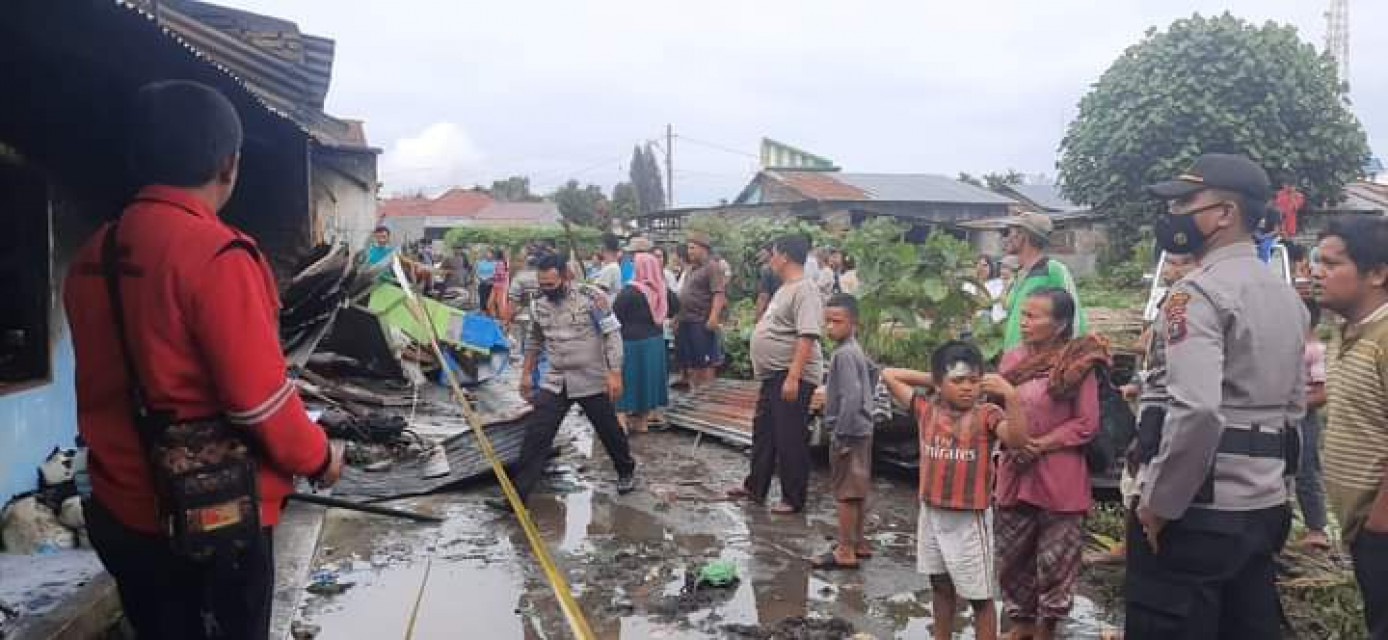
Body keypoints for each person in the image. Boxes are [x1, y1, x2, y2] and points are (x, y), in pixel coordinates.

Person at [64, 80, 343, 640]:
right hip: (212, 519)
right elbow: (260, 402)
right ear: (228, 164)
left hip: (120, 509)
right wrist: (320, 458)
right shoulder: (217, 254)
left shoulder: (94, 253)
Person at [1127, 153, 1307, 639]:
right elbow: (1294, 411)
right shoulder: (1287, 297)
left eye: (1188, 202)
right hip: (1263, 508)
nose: (1176, 213)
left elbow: (1198, 410)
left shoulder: (1196, 294)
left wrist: (1159, 504)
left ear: (1225, 214)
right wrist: (1278, 492)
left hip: (1197, 513)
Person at [882, 341, 1028, 640]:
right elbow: (889, 374)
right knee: (940, 585)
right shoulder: (926, 409)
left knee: (980, 597)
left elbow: (1017, 439)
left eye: (974, 381)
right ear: (940, 383)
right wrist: (935, 379)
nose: (967, 388)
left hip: (969, 520)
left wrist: (1010, 395)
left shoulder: (987, 414)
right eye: (958, 381)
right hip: (931, 514)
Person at [994, 287, 1103, 640]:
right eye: (1022, 315)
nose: (1024, 322)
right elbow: (993, 406)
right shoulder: (1011, 361)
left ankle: (1047, 629)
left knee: (1056, 561)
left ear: (1059, 325)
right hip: (1014, 470)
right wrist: (1010, 438)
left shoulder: (1077, 364)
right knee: (1013, 558)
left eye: (1033, 316)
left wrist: (1038, 444)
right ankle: (1021, 625)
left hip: (1059, 476)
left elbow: (1086, 423)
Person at [496, 253, 637, 509]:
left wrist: (615, 372)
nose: (547, 289)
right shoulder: (539, 304)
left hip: (591, 379)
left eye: (551, 284)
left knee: (609, 431)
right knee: (536, 435)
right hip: (556, 380)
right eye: (542, 284)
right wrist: (527, 374)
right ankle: (517, 497)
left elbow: (612, 334)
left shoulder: (592, 298)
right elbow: (535, 339)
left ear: (565, 276)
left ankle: (626, 470)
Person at [1313, 216, 1388, 637]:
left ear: (1377, 273)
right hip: (1363, 528)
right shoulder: (1347, 333)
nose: (1316, 272)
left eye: (1330, 263)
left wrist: (1380, 524)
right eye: (1315, 260)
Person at [726, 235, 823, 514]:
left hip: (789, 375)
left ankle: (794, 498)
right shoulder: (785, 288)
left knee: (789, 436)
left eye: (773, 254)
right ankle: (756, 486)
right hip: (774, 375)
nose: (770, 259)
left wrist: (793, 377)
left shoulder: (805, 290)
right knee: (764, 432)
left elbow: (807, 335)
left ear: (784, 256)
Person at [809, 294, 879, 570]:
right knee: (858, 489)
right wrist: (867, 405)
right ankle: (859, 542)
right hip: (862, 429)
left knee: (845, 493)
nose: (830, 327)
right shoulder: (855, 349)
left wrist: (842, 434)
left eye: (837, 322)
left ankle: (845, 549)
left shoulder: (844, 354)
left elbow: (850, 396)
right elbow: (874, 373)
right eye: (827, 322)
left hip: (849, 432)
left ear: (854, 323)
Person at [1001, 212, 1086, 350]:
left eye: (1008, 232)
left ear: (1022, 235)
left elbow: (1075, 318)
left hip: (1038, 364)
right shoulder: (1018, 275)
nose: (1006, 238)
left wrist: (1068, 361)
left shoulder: (1052, 270)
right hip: (1014, 362)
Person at [614, 253, 677, 434]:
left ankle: (621, 423)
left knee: (627, 380)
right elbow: (676, 307)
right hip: (654, 343)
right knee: (647, 382)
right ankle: (642, 423)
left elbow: (615, 317)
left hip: (630, 344)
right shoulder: (661, 290)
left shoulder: (629, 292)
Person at [1297, 299, 1331, 551]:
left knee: (1306, 470)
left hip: (1303, 418)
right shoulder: (1284, 348)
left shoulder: (1315, 350)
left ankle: (1317, 527)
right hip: (1280, 416)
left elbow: (1321, 395)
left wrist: (1294, 405)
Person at [676, 231, 727, 390]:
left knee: (705, 362)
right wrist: (677, 317)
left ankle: (707, 395)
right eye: (688, 248)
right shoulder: (691, 269)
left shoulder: (712, 267)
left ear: (703, 249)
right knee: (692, 362)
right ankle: (695, 392)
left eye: (692, 248)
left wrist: (713, 317)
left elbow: (718, 294)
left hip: (701, 322)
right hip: (686, 321)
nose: (689, 251)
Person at [754, 243, 780, 323]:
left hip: (772, 309)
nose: (759, 255)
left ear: (769, 253)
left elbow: (763, 296)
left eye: (762, 252)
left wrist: (758, 316)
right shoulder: (782, 267)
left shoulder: (766, 269)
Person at [594, 233, 624, 301]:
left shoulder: (610, 268)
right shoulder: (611, 266)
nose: (597, 246)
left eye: (599, 244)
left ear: (604, 246)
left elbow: (599, 293)